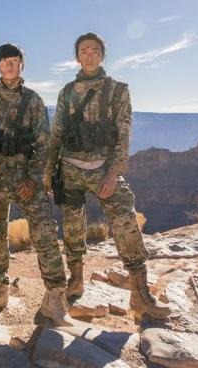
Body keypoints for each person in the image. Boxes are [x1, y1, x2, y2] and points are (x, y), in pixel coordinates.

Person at [44, 32, 172, 320]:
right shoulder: (66, 92)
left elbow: (124, 136)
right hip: (70, 169)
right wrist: (49, 171)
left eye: (94, 50)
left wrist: (114, 173)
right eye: (83, 50)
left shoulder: (118, 91)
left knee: (125, 221)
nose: (89, 55)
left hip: (104, 169)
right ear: (77, 56)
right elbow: (58, 134)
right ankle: (75, 280)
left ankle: (139, 293)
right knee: (73, 226)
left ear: (102, 54)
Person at [0, 43, 74, 326]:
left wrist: (34, 178)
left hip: (26, 181)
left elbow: (44, 145)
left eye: (14, 61)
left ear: (22, 65)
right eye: (4, 61)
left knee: (44, 231)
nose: (9, 65)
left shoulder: (33, 102)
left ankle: (55, 295)